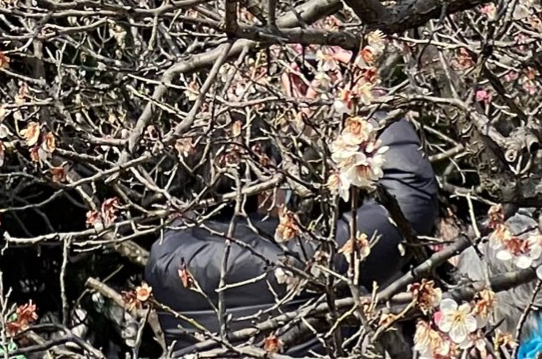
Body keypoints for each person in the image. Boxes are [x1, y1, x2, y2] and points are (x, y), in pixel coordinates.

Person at [146, 115, 440, 351]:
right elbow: (410, 201)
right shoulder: (295, 262)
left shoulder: (164, 255)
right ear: (263, 176)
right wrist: (369, 106)